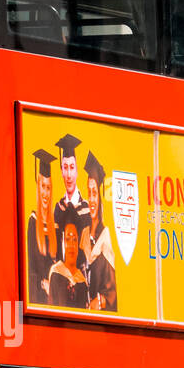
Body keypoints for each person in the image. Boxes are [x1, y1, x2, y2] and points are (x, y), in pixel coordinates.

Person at [83, 151, 118, 312]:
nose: (91, 199)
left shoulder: (106, 238)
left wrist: (101, 300)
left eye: (95, 193)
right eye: (89, 193)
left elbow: (112, 292)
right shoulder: (83, 235)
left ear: (100, 197)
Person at [53, 133, 92, 262]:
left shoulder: (86, 210)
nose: (69, 175)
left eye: (72, 167)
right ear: (61, 172)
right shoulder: (59, 209)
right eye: (65, 168)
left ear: (77, 171)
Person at [26, 148, 57, 303]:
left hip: (55, 295)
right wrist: (42, 285)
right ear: (38, 187)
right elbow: (30, 266)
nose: (45, 193)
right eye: (42, 186)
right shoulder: (33, 222)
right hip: (39, 297)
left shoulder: (55, 226)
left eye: (48, 187)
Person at [48, 220, 89, 309]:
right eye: (67, 239)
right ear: (62, 242)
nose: (71, 244)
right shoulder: (56, 272)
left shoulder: (82, 281)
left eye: (75, 240)